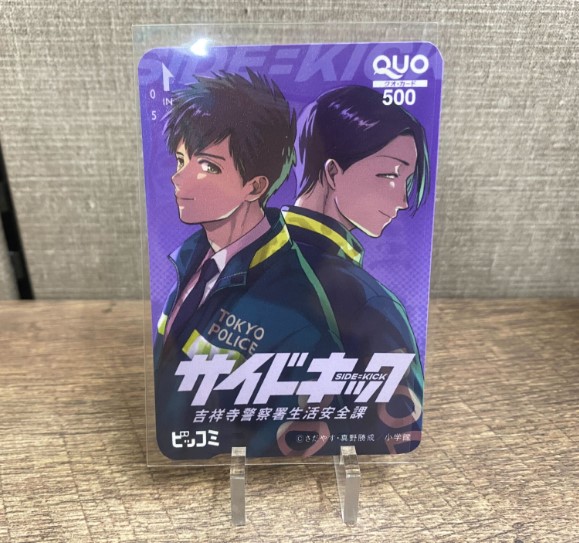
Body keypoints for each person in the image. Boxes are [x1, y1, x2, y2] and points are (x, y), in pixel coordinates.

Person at [153, 70, 341, 459]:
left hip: (232, 470)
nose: (179, 178)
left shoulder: (296, 307)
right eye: (181, 159)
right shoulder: (193, 257)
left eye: (208, 166)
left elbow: (300, 433)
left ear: (254, 186)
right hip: (173, 454)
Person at [283, 85, 430, 454]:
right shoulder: (370, 304)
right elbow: (399, 432)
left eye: (407, 180)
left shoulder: (230, 257)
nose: (402, 200)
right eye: (390, 175)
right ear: (333, 171)